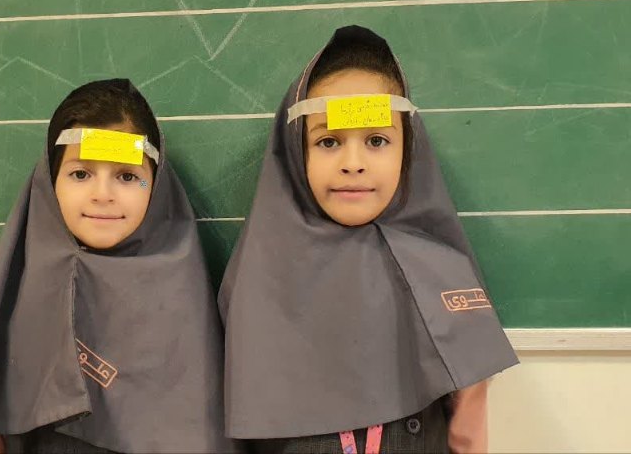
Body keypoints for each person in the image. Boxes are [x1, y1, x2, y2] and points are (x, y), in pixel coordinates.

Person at [218, 25, 518, 453]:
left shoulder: (442, 270)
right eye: (328, 141)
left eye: (377, 140)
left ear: (408, 147)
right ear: (297, 149)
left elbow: (468, 424)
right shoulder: (255, 280)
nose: (353, 163)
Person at [0, 78, 236, 453]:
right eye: (80, 174)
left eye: (127, 176)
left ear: (157, 185)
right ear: (50, 181)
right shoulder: (23, 289)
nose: (102, 194)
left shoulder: (182, 295)